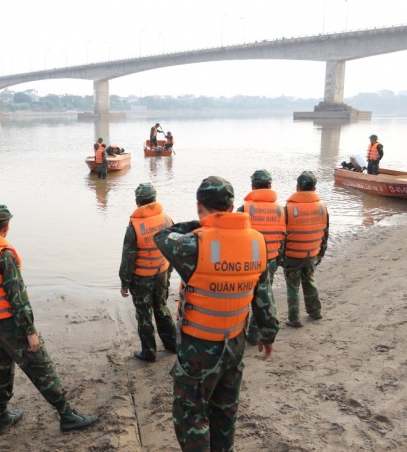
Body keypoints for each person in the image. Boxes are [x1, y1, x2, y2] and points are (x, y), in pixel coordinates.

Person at [153, 176, 280, 452]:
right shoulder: (257, 243)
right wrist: (268, 334)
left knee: (192, 418)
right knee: (225, 414)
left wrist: (200, 224)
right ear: (233, 205)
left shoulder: (192, 246)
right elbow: (263, 297)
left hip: (198, 347)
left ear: (199, 207)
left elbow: (161, 235)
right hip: (234, 342)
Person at [0, 205, 99, 435]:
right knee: (41, 367)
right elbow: (17, 298)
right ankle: (67, 416)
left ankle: (3, 418)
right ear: (6, 227)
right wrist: (30, 331)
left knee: (2, 370)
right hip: (11, 325)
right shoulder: (3, 256)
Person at [118, 183, 177, 362]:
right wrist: (170, 270)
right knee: (161, 307)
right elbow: (173, 248)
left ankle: (149, 352)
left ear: (137, 202)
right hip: (162, 273)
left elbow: (128, 259)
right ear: (154, 199)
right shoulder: (167, 219)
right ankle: (172, 344)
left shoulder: (134, 228)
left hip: (142, 278)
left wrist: (124, 283)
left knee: (144, 314)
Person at [237, 170, 286, 346]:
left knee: (243, 299)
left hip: (248, 262)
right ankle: (254, 335)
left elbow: (234, 237)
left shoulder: (244, 209)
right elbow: (283, 237)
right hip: (270, 260)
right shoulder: (281, 210)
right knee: (262, 298)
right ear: (270, 186)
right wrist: (279, 260)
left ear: (252, 186)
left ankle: (240, 336)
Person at [283, 172, 328, 327]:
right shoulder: (323, 208)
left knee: (292, 286)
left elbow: (283, 236)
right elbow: (325, 235)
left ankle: (294, 318)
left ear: (297, 187)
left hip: (293, 256)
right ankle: (315, 312)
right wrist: (319, 256)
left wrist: (281, 258)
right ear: (314, 188)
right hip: (312, 254)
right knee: (309, 281)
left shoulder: (288, 209)